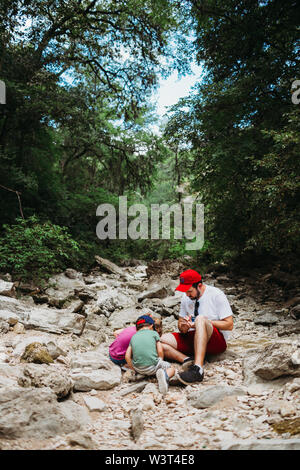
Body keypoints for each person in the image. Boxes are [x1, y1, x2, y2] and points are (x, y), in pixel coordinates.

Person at [160, 269, 233, 385]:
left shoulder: (216, 295)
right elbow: (180, 324)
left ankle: (198, 369)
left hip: (215, 341)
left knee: (200, 319)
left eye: (189, 291)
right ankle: (187, 360)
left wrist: (203, 322)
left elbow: (229, 325)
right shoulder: (186, 298)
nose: (187, 295)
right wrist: (183, 326)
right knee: (161, 340)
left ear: (199, 286)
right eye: (185, 292)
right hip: (194, 338)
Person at [125, 315, 175, 395]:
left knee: (144, 368)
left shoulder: (133, 337)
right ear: (152, 325)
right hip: (152, 366)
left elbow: (127, 356)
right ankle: (165, 377)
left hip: (138, 368)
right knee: (171, 368)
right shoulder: (154, 333)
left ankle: (141, 375)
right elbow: (160, 350)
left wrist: (133, 368)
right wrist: (160, 360)